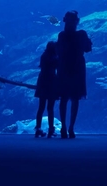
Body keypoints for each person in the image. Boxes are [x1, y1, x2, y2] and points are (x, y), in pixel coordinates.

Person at [56, 10, 92, 139]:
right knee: (75, 98)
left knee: (64, 98)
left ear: (65, 20)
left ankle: (64, 128)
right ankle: (71, 127)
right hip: (77, 67)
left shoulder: (61, 35)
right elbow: (88, 49)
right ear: (77, 21)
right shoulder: (82, 34)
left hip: (64, 67)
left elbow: (58, 52)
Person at [34, 41, 59, 138]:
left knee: (41, 107)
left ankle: (38, 129)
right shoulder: (56, 58)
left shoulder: (43, 56)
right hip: (52, 81)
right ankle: (51, 129)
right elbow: (58, 67)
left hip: (42, 81)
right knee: (50, 108)